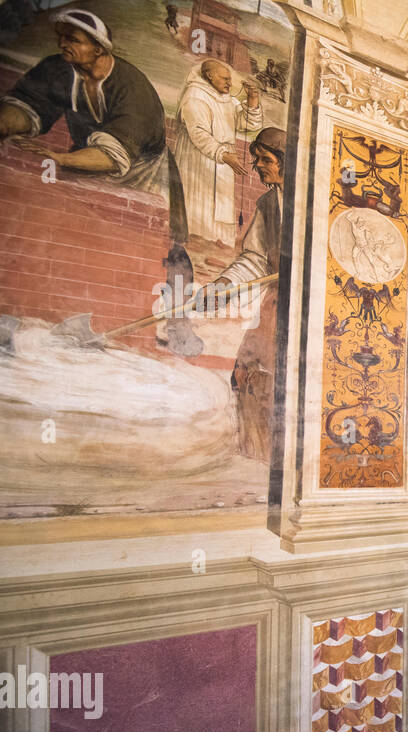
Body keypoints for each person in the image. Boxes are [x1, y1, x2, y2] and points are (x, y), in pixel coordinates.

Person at [0, 9, 187, 241]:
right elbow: (27, 105)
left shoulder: (133, 87)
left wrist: (59, 159)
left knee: (135, 239)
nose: (62, 43)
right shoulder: (57, 69)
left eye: (73, 39)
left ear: (98, 49)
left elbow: (113, 156)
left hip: (142, 174)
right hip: (86, 160)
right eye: (61, 36)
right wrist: (5, 124)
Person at [199, 127, 286, 462]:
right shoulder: (267, 203)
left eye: (265, 160)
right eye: (256, 159)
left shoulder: (314, 199)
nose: (258, 167)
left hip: (311, 308)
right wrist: (225, 285)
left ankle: (279, 456)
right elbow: (255, 257)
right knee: (247, 372)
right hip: (276, 302)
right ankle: (255, 453)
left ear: (285, 162)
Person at [175, 59, 263, 246]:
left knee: (219, 211)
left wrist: (253, 99)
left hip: (222, 162)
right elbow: (199, 134)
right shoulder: (195, 96)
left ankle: (217, 245)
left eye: (229, 79)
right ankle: (194, 244)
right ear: (209, 76)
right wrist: (223, 154)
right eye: (225, 79)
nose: (230, 83)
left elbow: (247, 124)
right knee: (200, 205)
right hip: (199, 161)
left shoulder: (227, 99)